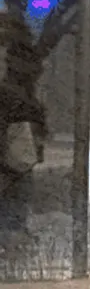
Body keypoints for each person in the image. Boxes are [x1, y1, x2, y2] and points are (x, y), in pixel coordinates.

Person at [0, 29, 45, 261]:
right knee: (12, 223)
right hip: (15, 169)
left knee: (11, 221)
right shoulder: (20, 99)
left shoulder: (11, 97)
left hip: (13, 168)